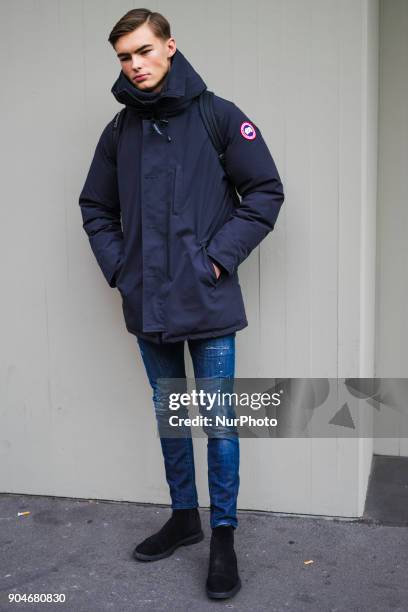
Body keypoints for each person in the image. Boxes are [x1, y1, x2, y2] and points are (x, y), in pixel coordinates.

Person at [78, 8, 284, 600]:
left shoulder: (218, 116)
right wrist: (124, 269)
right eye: (124, 57)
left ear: (170, 46)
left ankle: (223, 535)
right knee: (172, 416)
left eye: (144, 50)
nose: (135, 65)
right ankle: (182, 517)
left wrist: (216, 259)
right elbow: (95, 208)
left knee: (217, 421)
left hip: (209, 299)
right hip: (149, 304)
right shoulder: (119, 131)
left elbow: (265, 191)